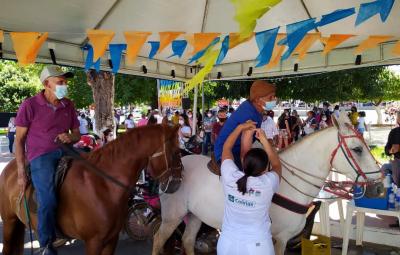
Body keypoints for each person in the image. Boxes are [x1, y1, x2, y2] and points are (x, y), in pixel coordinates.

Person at [14, 65, 80, 254]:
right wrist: (20, 172)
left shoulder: (69, 104)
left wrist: (71, 137)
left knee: (95, 169)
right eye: (60, 82)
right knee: (48, 199)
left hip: (67, 151)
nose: (64, 85)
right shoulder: (30, 105)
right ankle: (46, 244)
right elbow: (19, 140)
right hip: (41, 155)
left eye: (65, 82)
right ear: (46, 84)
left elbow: (76, 133)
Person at [217, 122, 281, 255]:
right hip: (258, 246)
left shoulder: (230, 176)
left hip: (227, 243)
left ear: (243, 163)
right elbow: (276, 164)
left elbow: (226, 148)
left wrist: (239, 128)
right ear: (265, 170)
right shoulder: (267, 183)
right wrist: (264, 140)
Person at [214, 80, 277, 169]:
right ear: (258, 100)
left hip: (235, 148)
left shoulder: (254, 109)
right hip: (227, 152)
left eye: (274, 96)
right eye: (270, 98)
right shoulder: (249, 116)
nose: (274, 99)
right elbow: (244, 153)